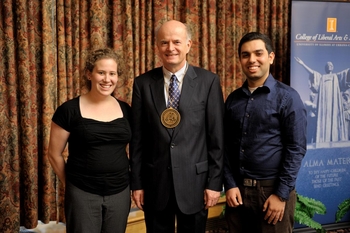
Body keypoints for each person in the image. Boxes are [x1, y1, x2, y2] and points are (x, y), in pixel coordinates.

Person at [130, 20, 224, 233]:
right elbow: (138, 139)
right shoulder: (142, 84)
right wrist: (137, 183)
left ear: (188, 45)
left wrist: (214, 183)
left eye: (176, 42)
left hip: (196, 185)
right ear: (157, 47)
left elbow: (216, 138)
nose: (170, 48)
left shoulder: (208, 82)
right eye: (164, 42)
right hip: (155, 184)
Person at [223, 32, 307, 233]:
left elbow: (296, 149)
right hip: (238, 193)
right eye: (245, 55)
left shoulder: (288, 98)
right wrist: (230, 184)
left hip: (272, 192)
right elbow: (224, 145)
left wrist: (281, 195)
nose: (252, 60)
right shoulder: (233, 100)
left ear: (270, 57)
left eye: (258, 53)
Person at [48, 48, 131, 233]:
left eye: (112, 74)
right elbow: (54, 154)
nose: (107, 79)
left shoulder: (126, 110)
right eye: (101, 72)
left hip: (120, 192)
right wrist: (71, 185)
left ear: (118, 77)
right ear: (89, 74)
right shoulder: (68, 110)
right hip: (82, 193)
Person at [294, 57, 349, 144]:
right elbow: (312, 72)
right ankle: (323, 138)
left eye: (331, 65)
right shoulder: (322, 77)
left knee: (334, 117)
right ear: (326, 68)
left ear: (333, 67)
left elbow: (346, 73)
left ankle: (335, 137)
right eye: (328, 65)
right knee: (324, 117)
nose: (329, 66)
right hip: (324, 103)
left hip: (334, 103)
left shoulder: (336, 76)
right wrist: (303, 64)